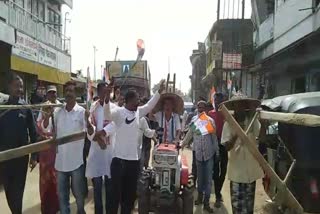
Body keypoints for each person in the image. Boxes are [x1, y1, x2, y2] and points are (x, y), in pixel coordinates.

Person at [102, 81, 165, 214]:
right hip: (118, 162)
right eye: (137, 99)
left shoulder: (138, 113)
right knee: (114, 196)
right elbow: (107, 115)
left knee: (129, 197)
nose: (139, 101)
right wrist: (107, 98)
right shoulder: (119, 112)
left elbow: (149, 105)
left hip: (133, 162)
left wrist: (159, 92)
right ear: (130, 100)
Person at [42, 81, 94, 214]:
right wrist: (47, 118)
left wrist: (88, 122)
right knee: (62, 197)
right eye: (67, 91)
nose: (69, 93)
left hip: (77, 162)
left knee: (79, 195)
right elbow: (46, 128)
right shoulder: (57, 112)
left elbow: (91, 134)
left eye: (71, 91)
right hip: (60, 164)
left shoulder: (82, 112)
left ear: (76, 93)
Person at [0, 73, 38, 214]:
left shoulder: (26, 108)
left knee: (18, 191)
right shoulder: (2, 108)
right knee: (9, 191)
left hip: (21, 158)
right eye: (17, 86)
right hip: (5, 158)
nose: (20, 89)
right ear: (9, 87)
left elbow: (34, 133)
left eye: (21, 87)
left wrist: (34, 156)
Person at [221, 93, 263, 214]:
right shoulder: (228, 124)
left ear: (245, 106)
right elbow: (226, 147)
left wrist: (264, 123)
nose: (240, 108)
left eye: (242, 105)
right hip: (236, 174)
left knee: (248, 209)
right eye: (237, 106)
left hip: (251, 172)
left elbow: (262, 138)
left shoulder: (253, 121)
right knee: (238, 209)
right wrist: (237, 132)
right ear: (234, 107)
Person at [181, 101, 219, 213]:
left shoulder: (210, 121)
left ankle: (206, 203)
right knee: (200, 180)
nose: (201, 109)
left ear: (206, 109)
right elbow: (189, 135)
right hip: (198, 155)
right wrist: (182, 144)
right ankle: (199, 198)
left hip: (208, 155)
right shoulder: (194, 121)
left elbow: (214, 139)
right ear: (197, 108)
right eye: (199, 107)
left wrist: (216, 153)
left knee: (208, 180)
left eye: (202, 107)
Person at [85, 82, 115, 214]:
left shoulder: (113, 108)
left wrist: (102, 135)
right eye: (102, 92)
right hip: (96, 154)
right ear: (98, 93)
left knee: (109, 189)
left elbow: (114, 125)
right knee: (97, 188)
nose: (105, 94)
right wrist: (97, 139)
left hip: (109, 153)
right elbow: (89, 128)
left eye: (107, 92)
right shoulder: (93, 108)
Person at [36, 85, 61, 214]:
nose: (53, 95)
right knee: (46, 180)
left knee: (57, 179)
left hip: (58, 148)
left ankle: (57, 207)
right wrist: (47, 116)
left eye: (54, 93)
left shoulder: (61, 107)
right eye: (50, 92)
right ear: (47, 95)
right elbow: (41, 127)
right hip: (46, 149)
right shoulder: (43, 107)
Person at [208, 92, 228, 208]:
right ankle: (218, 196)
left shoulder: (227, 114)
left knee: (223, 170)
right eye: (215, 101)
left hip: (224, 145)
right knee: (215, 171)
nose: (217, 103)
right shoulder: (210, 114)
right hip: (214, 145)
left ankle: (218, 191)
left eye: (219, 101)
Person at [139, 97, 159, 169]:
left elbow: (149, 130)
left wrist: (155, 140)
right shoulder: (142, 117)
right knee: (142, 157)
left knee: (146, 156)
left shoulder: (147, 118)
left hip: (147, 140)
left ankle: (146, 168)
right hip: (142, 141)